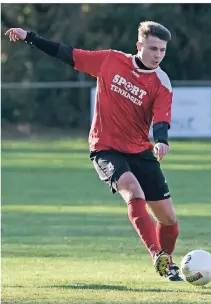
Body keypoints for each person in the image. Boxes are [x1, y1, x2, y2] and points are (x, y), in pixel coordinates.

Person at [5, 21, 183, 282]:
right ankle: (157, 255)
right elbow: (67, 53)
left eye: (162, 50)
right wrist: (29, 37)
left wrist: (161, 140)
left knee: (168, 220)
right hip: (105, 148)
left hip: (140, 150)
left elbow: (161, 118)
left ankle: (167, 261)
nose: (158, 55)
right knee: (133, 191)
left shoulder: (161, 81)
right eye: (153, 48)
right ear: (139, 45)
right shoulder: (110, 60)